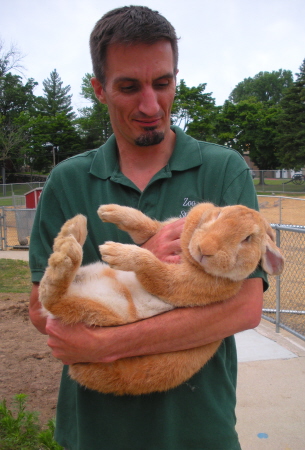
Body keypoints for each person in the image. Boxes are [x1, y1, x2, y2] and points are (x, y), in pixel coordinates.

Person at [29, 6, 267, 450]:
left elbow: (244, 308)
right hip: (93, 432)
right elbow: (40, 310)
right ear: (99, 89)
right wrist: (141, 266)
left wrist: (106, 345)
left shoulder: (223, 170)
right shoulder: (68, 181)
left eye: (162, 83)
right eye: (129, 87)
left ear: (176, 76)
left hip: (197, 430)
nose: (151, 105)